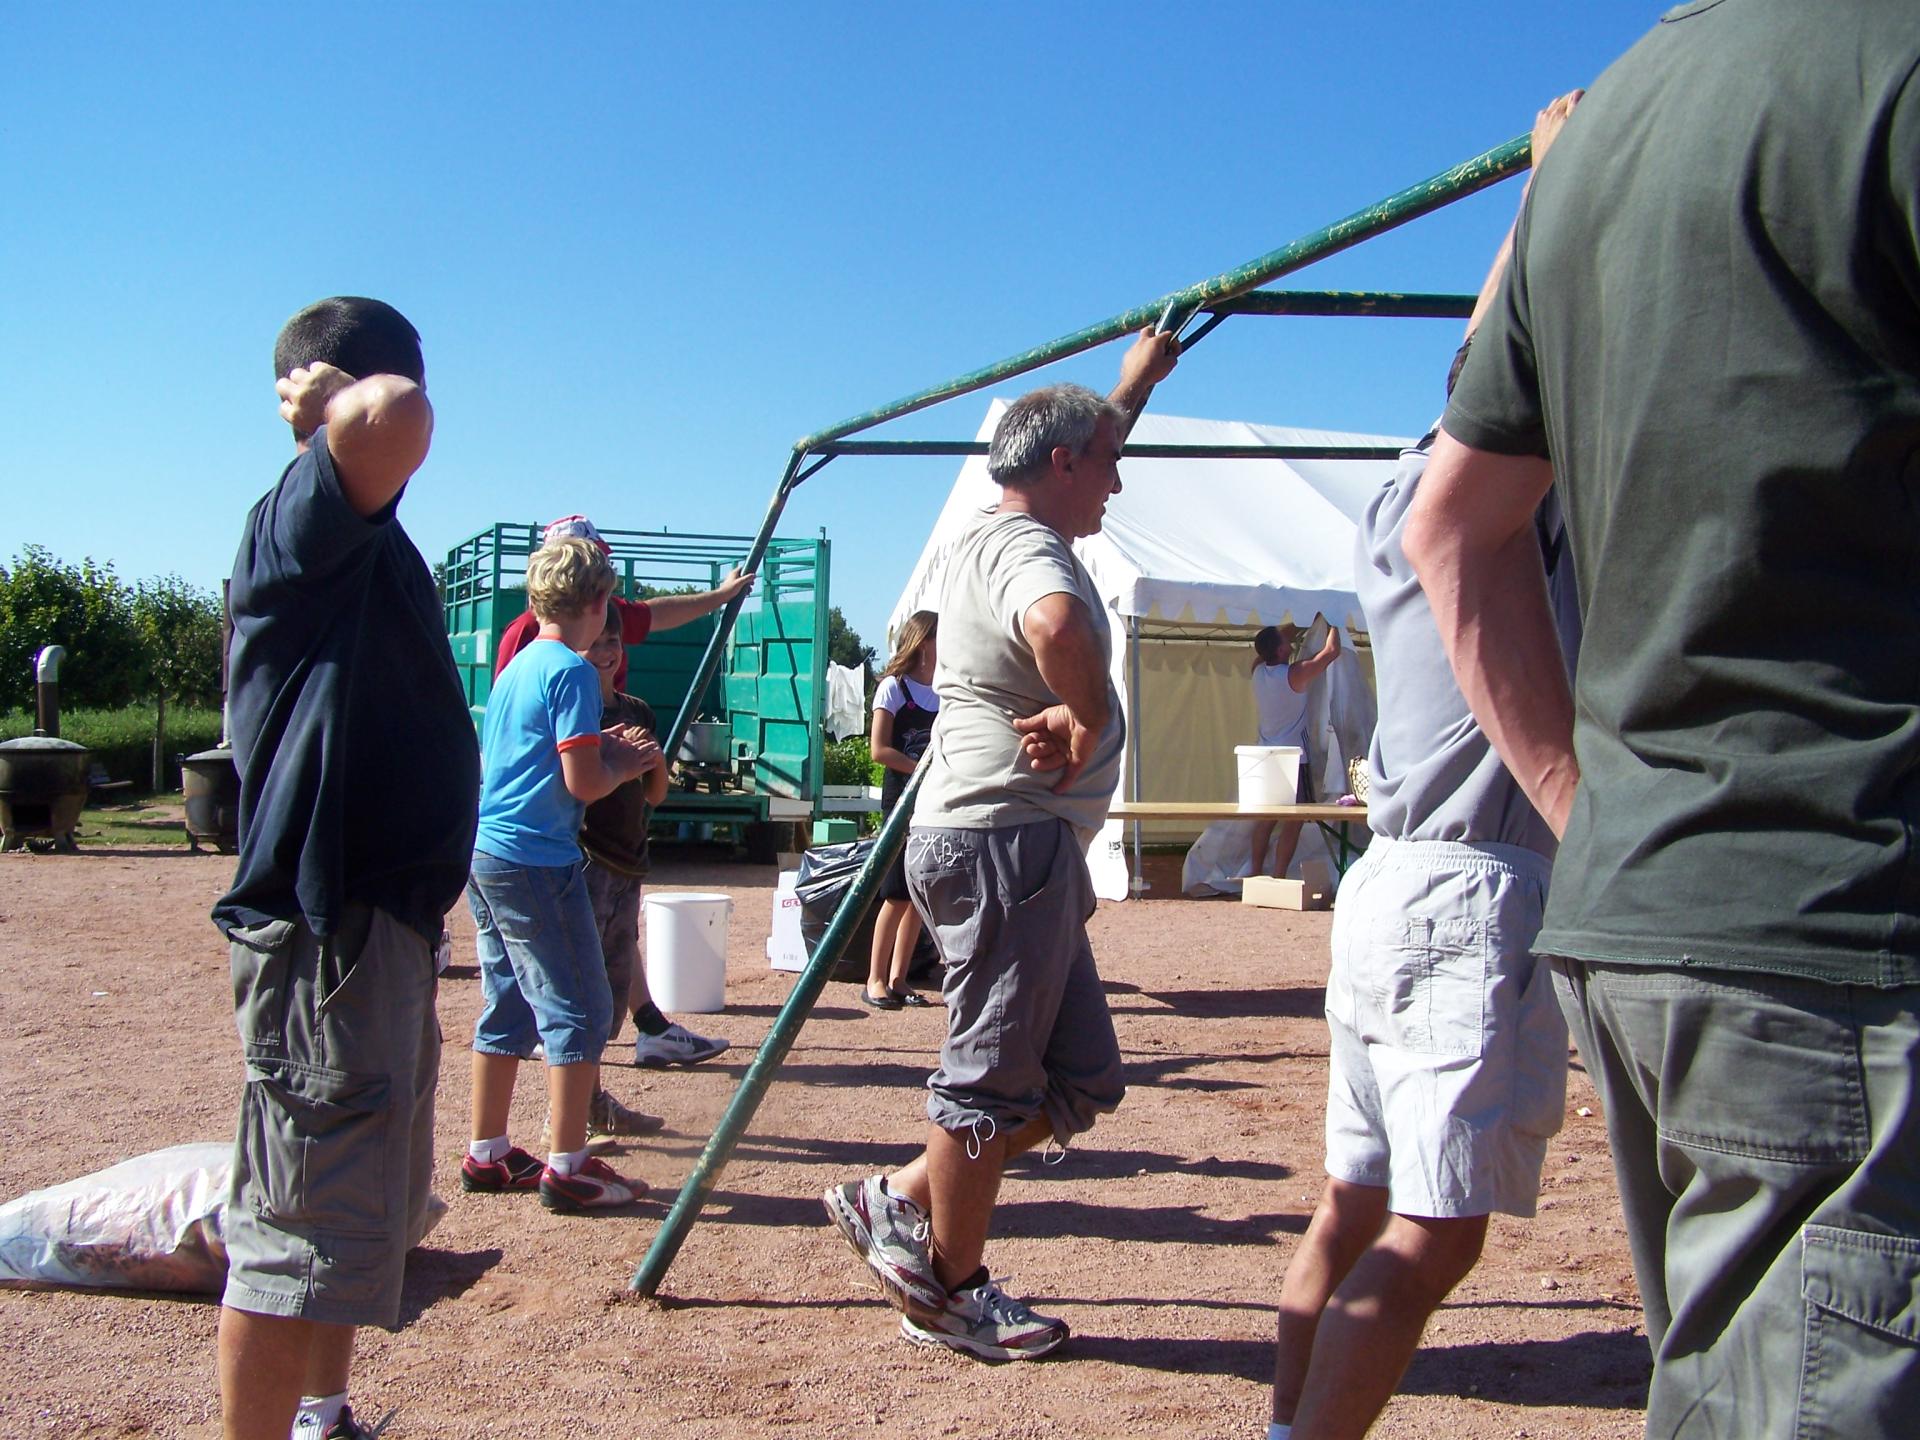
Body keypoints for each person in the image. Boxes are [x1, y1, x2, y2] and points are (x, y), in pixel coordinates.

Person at [1403, 6, 1920, 1433]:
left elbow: (1452, 526)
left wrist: (1590, 804)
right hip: (1845, 920)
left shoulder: (1611, 126)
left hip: (1657, 910)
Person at [1267, 93, 1583, 1440]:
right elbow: (1513, 359)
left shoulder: (1401, 495)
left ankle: (1286, 1423)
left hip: (1394, 883)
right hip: (1473, 889)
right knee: (1434, 1235)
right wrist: (1554, 196)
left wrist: (1532, 200)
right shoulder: (1505, 512)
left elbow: (1481, 361)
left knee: (1350, 1202)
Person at [824, 325, 1178, 1360]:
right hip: (1005, 842)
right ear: (1063, 466)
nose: (1117, 482)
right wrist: (1082, 713)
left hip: (1013, 843)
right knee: (985, 1083)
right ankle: (953, 1290)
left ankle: (893, 1196)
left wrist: (1130, 386)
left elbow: (1080, 440)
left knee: (1083, 1080)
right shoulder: (1030, 549)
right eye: (1107, 464)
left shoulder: (995, 526)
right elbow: (1061, 630)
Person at [212, 297, 477, 1440]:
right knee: (291, 1237)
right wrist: (335, 402)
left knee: (343, 1225)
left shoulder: (360, 541)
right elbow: (397, 413)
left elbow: (395, 418)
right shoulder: (303, 520)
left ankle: (323, 1415)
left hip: (372, 932)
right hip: (329, 931)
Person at [460, 537, 650, 1214]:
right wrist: (623, 765)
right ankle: (569, 1165)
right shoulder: (571, 672)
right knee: (581, 1006)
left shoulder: (516, 669)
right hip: (538, 859)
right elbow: (582, 781)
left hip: (486, 853)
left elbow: (529, 758)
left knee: (508, 998)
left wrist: (602, 751)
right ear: (599, 604)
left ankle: (488, 1151)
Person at [577, 606, 732, 1073]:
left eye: (613, 643)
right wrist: (612, 753)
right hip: (590, 856)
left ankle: (640, 1041)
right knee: (589, 970)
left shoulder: (636, 710)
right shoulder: (577, 711)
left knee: (618, 955)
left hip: (629, 857)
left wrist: (652, 758)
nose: (606, 653)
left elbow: (656, 794)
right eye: (596, 643)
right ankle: (586, 1079)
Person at [492, 514, 754, 690]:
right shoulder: (525, 632)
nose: (599, 569)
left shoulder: (607, 611)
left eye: (599, 560)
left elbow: (657, 614)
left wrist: (722, 595)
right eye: (586, 562)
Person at [863, 609, 939, 1010]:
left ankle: (899, 977)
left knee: (919, 895)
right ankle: (875, 978)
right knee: (895, 893)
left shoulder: (947, 689)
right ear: (924, 641)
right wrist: (924, 768)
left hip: (935, 800)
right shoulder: (893, 688)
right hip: (901, 802)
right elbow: (880, 750)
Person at [1247, 620, 1342, 880]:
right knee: (1293, 821)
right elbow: (1331, 653)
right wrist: (1334, 620)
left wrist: (1304, 619)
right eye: (1285, 643)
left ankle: (1255, 873)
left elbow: (1273, 641)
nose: (1290, 643)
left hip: (1266, 756)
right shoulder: (1294, 674)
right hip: (1293, 759)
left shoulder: (1257, 671)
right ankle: (1277, 875)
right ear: (1279, 651)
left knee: (1266, 818)